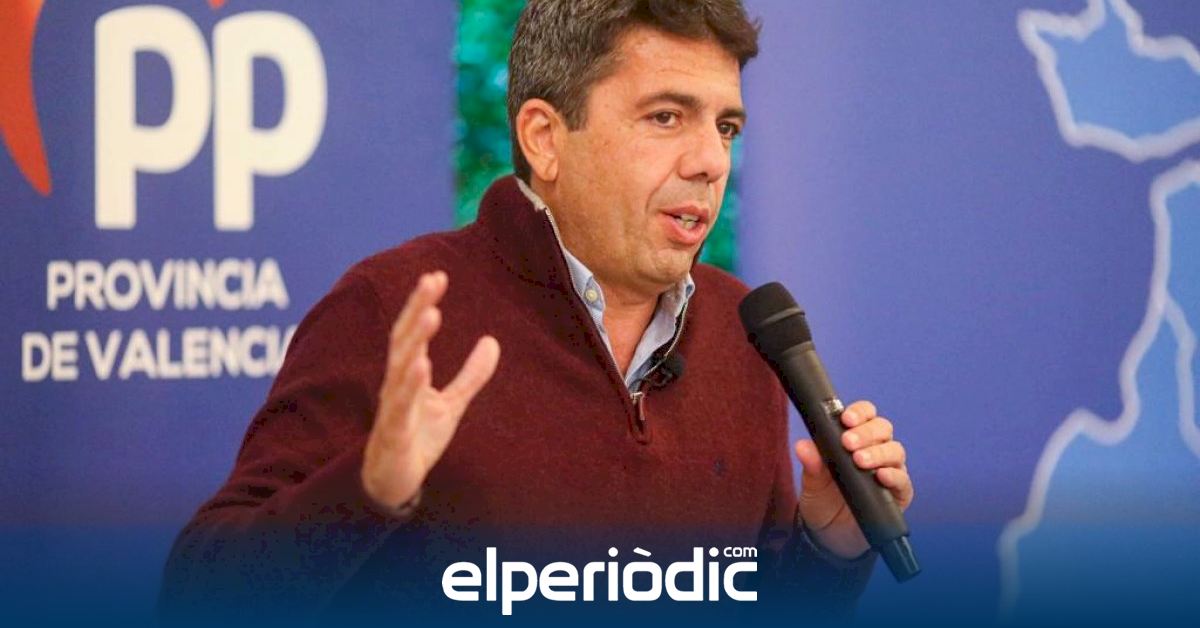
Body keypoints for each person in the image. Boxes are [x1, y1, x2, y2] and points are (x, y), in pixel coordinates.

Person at [159, 0, 913, 622]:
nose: (711, 160)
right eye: (665, 117)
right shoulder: (396, 307)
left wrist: (828, 549)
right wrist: (366, 492)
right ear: (545, 139)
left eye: (725, 127)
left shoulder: (744, 330)